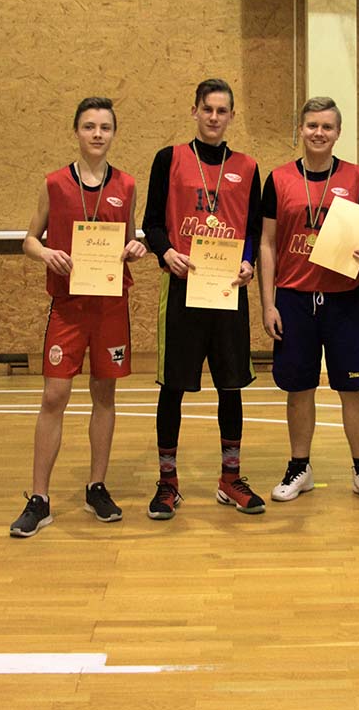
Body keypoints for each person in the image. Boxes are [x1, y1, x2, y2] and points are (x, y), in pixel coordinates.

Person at [10, 97, 147, 538]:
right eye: (89, 126)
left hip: (109, 308)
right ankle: (39, 498)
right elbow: (29, 239)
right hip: (68, 307)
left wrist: (137, 248)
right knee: (54, 395)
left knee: (104, 394)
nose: (97, 134)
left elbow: (130, 240)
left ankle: (96, 487)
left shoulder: (127, 185)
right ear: (76, 131)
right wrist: (46, 253)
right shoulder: (53, 183)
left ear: (113, 134)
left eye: (105, 127)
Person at [142, 78, 264, 518]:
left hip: (228, 289)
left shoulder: (248, 167)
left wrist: (248, 262)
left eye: (222, 110)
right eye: (207, 109)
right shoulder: (169, 159)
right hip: (182, 287)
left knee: (230, 386)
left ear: (231, 116)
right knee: (172, 387)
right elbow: (152, 223)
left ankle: (230, 479)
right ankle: (168, 483)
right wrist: (166, 252)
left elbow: (253, 229)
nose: (214, 117)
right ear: (194, 110)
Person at [258, 96, 359, 505]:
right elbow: (266, 243)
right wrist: (268, 303)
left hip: (344, 300)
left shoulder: (357, 177)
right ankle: (300, 467)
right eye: (312, 125)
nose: (319, 133)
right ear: (300, 129)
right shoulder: (278, 179)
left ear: (338, 133)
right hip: (294, 299)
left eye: (327, 127)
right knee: (299, 388)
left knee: (354, 388)